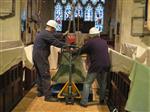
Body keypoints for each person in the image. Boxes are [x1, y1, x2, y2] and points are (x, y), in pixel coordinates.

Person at [32, 20, 68, 102]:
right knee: (46, 75)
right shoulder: (46, 34)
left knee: (40, 74)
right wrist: (67, 45)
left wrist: (63, 34)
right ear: (51, 28)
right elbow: (55, 42)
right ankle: (48, 96)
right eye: (54, 29)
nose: (54, 31)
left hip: (36, 56)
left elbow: (54, 35)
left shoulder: (43, 32)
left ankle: (40, 92)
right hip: (41, 57)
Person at [74, 27, 110, 107]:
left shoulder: (90, 42)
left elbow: (81, 50)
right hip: (106, 65)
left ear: (91, 35)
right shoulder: (104, 42)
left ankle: (84, 102)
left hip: (96, 65)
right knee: (103, 83)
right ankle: (102, 100)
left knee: (87, 83)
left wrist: (73, 52)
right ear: (98, 34)